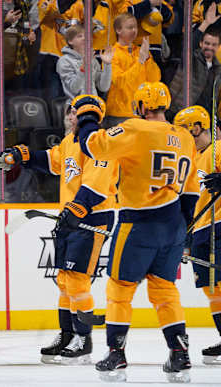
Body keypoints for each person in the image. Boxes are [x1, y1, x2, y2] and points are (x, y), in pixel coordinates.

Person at [75, 83, 200, 382]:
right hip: (174, 224)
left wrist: (88, 114)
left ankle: (116, 353)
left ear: (142, 107)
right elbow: (192, 192)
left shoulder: (136, 129)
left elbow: (91, 145)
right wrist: (185, 234)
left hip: (138, 223)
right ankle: (179, 351)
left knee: (120, 288)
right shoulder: (184, 136)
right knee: (164, 290)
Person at [0, 95, 118, 365]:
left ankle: (83, 339)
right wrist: (23, 156)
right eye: (69, 112)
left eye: (74, 113)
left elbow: (96, 188)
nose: (70, 117)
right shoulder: (70, 141)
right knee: (64, 279)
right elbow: (52, 161)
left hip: (92, 218)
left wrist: (75, 210)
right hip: (70, 216)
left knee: (76, 278)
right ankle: (67, 334)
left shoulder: (101, 143)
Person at [174, 105, 221, 364]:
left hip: (220, 225)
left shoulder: (219, 149)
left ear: (196, 127)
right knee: (211, 288)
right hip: (201, 229)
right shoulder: (190, 159)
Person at [104, 12, 161, 127]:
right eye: (130, 27)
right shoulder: (112, 54)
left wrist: (147, 59)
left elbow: (155, 80)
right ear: (118, 30)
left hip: (142, 114)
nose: (134, 30)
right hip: (119, 115)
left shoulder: (141, 52)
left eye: (135, 27)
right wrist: (140, 61)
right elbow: (120, 82)